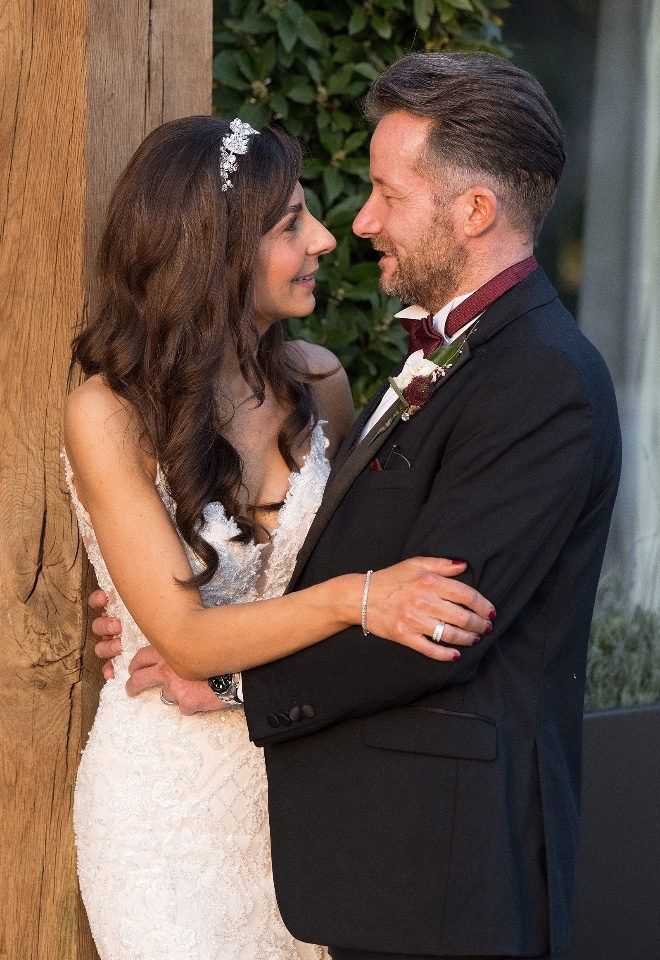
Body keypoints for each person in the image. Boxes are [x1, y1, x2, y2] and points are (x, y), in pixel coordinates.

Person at [94, 52, 622, 960]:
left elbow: (434, 624)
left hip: (449, 867)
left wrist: (223, 678)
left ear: (474, 212)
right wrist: (166, 607)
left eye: (385, 193)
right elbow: (344, 560)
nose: (357, 223)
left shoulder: (541, 379)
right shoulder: (461, 357)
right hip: (346, 847)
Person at [64, 114, 495, 960]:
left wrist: (355, 594)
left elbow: (343, 556)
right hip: (163, 812)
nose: (328, 239)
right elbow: (184, 637)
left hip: (298, 776)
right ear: (213, 248)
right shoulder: (107, 413)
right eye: (292, 223)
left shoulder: (320, 384)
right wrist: (360, 602)